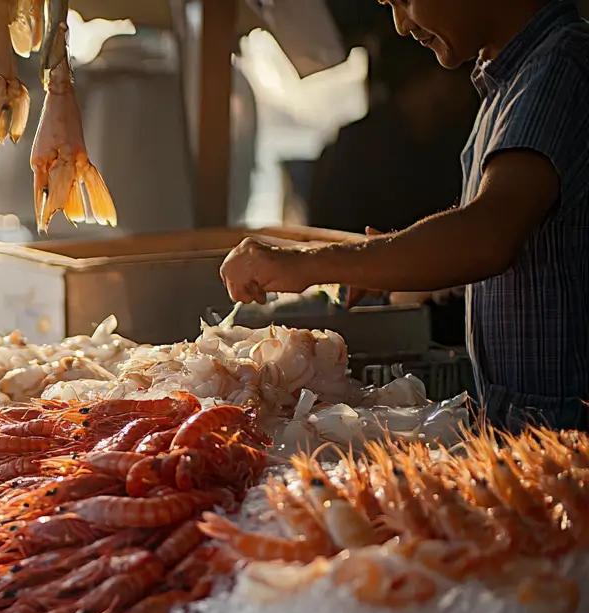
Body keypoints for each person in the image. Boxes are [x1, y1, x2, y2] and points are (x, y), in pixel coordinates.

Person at [219, 0, 589, 431]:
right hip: (525, 436)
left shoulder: (561, 68)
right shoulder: (509, 84)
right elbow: (531, 241)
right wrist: (387, 261)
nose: (400, 24)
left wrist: (308, 263)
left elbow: (486, 236)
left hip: (570, 441)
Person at [306, 30, 479, 344]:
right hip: (366, 323)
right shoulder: (356, 148)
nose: (468, 90)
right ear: (429, 77)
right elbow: (328, 238)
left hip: (452, 328)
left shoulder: (454, 141)